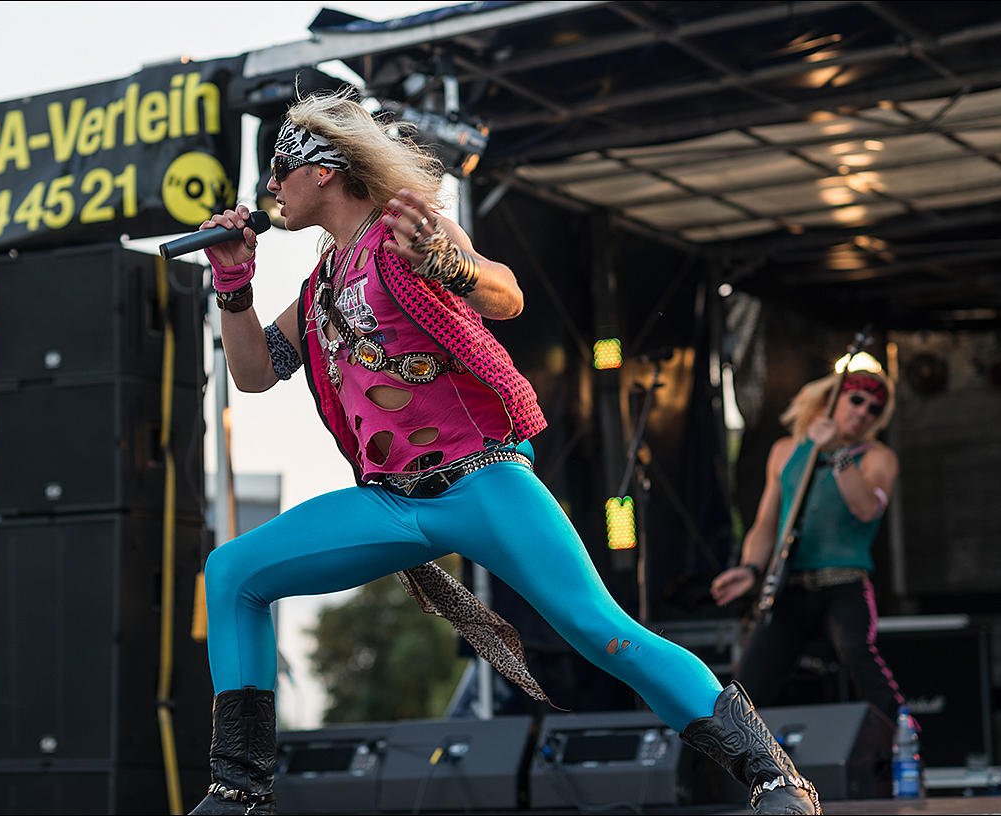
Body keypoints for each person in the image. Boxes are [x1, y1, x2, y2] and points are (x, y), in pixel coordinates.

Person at [188, 88, 820, 815]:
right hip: (392, 502)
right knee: (233, 572)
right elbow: (253, 373)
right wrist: (233, 284)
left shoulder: (405, 233)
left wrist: (445, 262)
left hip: (481, 481)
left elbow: (506, 294)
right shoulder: (320, 286)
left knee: (600, 630)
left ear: (323, 171)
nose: (269, 187)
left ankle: (774, 775)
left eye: (279, 170)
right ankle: (240, 791)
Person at [711, 369, 907, 722]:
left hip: (844, 584)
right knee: (747, 686)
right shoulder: (785, 451)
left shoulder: (878, 457)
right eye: (857, 400)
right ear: (833, 399)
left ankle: (902, 735)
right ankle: (734, 751)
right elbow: (766, 524)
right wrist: (750, 569)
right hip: (792, 586)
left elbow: (866, 509)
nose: (864, 412)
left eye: (874, 409)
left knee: (856, 651)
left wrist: (838, 453)